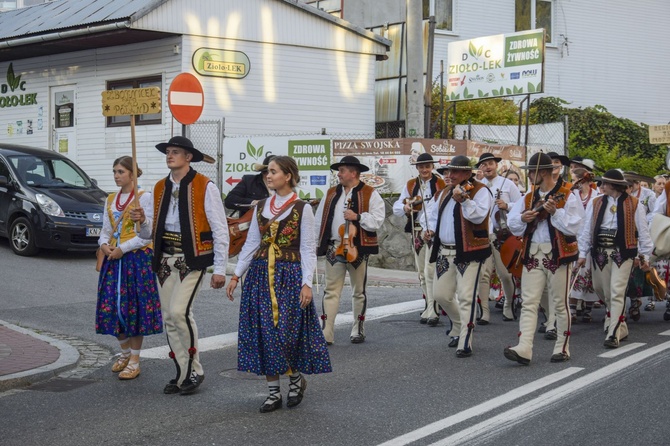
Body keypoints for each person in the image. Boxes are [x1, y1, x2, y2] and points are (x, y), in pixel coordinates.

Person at [226, 156, 331, 413]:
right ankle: (273, 392)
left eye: (273, 172)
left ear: (288, 176)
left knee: (285, 333)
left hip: (289, 276)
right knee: (264, 333)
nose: (268, 176)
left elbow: (307, 248)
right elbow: (252, 243)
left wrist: (307, 284)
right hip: (260, 276)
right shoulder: (261, 205)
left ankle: (295, 379)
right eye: (267, 172)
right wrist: (237, 274)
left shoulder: (302, 208)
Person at [131, 136, 229, 395]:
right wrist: (140, 221)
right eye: (168, 152)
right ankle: (181, 372)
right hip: (164, 259)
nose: (170, 156)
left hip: (192, 259)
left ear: (188, 158)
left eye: (175, 152)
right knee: (168, 318)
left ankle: (195, 369)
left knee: (179, 312)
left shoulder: (205, 186)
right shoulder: (158, 188)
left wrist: (220, 268)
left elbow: (220, 229)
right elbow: (146, 234)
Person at [504, 152, 584, 365]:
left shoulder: (568, 194)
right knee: (529, 302)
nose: (529, 176)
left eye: (532, 172)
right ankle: (524, 347)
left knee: (560, 303)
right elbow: (513, 224)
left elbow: (575, 226)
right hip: (532, 252)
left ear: (545, 172)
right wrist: (523, 217)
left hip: (558, 254)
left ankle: (562, 347)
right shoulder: (528, 197)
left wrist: (555, 213)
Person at [97, 156, 162, 380]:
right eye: (114, 171)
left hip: (135, 260)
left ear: (132, 175)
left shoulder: (144, 198)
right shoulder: (110, 199)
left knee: (133, 308)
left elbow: (146, 235)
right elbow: (105, 229)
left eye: (121, 172)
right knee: (112, 307)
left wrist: (122, 249)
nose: (116, 175)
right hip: (113, 260)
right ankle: (124, 352)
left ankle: (135, 359)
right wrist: (104, 245)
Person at [577, 169, 653, 348]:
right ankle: (619, 323)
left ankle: (613, 332)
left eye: (604, 183)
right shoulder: (595, 203)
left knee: (617, 290)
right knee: (601, 289)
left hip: (624, 252)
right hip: (600, 252)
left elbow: (643, 232)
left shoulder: (635, 204)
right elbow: (586, 229)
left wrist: (645, 256)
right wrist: (582, 254)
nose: (601, 186)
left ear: (613, 185)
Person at [425, 155, 493, 357]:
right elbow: (430, 216)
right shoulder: (443, 192)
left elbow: (479, 216)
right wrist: (426, 229)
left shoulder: (481, 191)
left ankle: (465, 339)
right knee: (440, 295)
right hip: (444, 251)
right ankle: (457, 324)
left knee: (465, 296)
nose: (449, 175)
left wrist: (464, 200)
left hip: (469, 252)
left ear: (466, 173)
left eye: (454, 171)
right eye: (448, 171)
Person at [315, 155, 385, 344]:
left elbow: (377, 220)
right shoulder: (330, 193)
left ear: (353, 173)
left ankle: (358, 328)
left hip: (357, 248)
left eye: (342, 170)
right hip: (334, 246)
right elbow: (319, 219)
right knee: (330, 290)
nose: (339, 174)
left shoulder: (370, 193)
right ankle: (327, 332)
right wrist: (315, 243)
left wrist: (358, 216)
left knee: (358, 290)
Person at [392, 153, 446, 326]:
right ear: (417, 168)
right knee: (422, 272)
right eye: (421, 166)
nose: (424, 169)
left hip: (433, 232)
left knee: (431, 270)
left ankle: (434, 308)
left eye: (427, 166)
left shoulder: (440, 183)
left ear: (432, 167)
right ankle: (428, 305)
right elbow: (397, 206)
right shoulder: (410, 184)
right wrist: (406, 207)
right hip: (417, 231)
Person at [474, 153, 522, 324]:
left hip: (503, 235)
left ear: (496, 165)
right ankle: (484, 312)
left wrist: (507, 205)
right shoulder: (478, 186)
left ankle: (509, 304)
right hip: (483, 235)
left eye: (490, 164)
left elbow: (521, 205)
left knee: (505, 274)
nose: (487, 167)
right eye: (484, 165)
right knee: (484, 274)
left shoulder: (508, 184)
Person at [569, 168, 600, 322]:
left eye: (574, 180)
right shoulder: (572, 195)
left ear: (584, 181)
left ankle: (588, 308)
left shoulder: (597, 196)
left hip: (590, 238)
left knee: (589, 273)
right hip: (574, 237)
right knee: (575, 271)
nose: (573, 183)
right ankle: (573, 308)